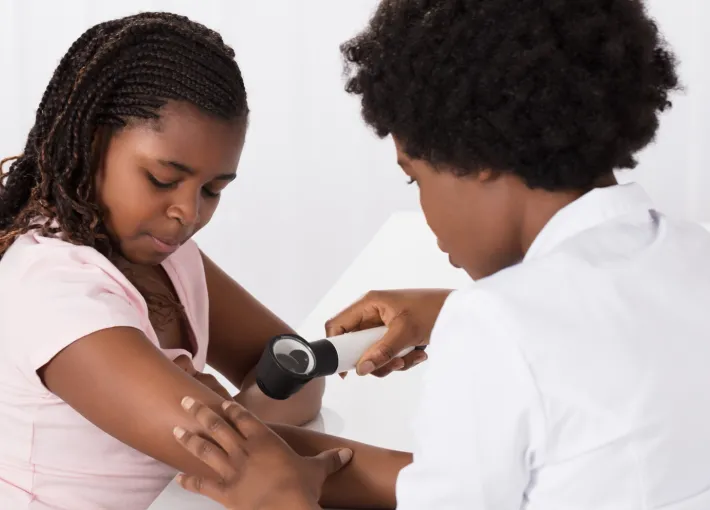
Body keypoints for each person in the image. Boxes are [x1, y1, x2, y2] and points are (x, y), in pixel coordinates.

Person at [166, 0, 710, 509]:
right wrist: (448, 309)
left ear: (478, 156)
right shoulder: (694, 254)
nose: (426, 213)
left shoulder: (497, 328)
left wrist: (281, 498)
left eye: (415, 180)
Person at [0, 12, 330, 510]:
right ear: (92, 141)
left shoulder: (168, 257)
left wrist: (239, 418)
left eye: (213, 190)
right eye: (162, 179)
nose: (188, 213)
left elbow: (299, 372)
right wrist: (244, 431)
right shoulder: (53, 290)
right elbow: (249, 465)